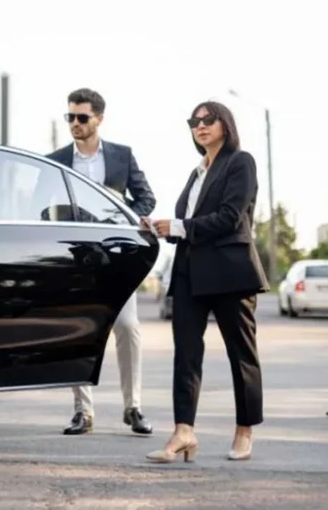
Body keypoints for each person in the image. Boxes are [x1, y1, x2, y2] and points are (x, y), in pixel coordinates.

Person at [141, 100, 268, 463]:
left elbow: (230, 217)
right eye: (194, 121)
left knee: (241, 355)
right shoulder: (195, 173)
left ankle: (245, 430)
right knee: (186, 355)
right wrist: (162, 228)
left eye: (208, 119)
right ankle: (184, 432)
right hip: (189, 275)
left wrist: (180, 226)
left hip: (230, 273)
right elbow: (189, 226)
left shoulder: (240, 162)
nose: (200, 125)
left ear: (225, 125)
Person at [47, 87, 155, 436]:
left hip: (117, 258)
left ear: (99, 119)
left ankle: (133, 407)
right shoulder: (57, 159)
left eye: (82, 117)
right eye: (70, 117)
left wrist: (123, 220)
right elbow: (39, 204)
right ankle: (83, 411)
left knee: (127, 327)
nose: (74, 124)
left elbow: (146, 198)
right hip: (76, 259)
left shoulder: (122, 156)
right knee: (80, 330)